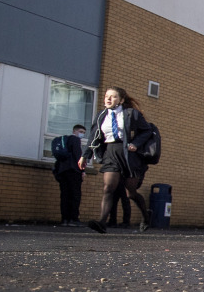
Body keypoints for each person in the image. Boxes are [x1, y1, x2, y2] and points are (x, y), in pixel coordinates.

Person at [80, 87, 153, 234]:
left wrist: (136, 144)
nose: (108, 99)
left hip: (128, 155)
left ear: (121, 100)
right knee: (108, 188)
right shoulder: (101, 115)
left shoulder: (131, 113)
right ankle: (102, 222)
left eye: (113, 97)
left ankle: (146, 216)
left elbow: (147, 131)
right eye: (107, 96)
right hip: (110, 153)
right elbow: (94, 137)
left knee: (130, 193)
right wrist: (85, 155)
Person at [51, 124, 86, 226]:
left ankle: (64, 219)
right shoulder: (75, 140)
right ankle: (73, 219)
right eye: (80, 131)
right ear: (74, 131)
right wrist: (82, 171)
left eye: (83, 132)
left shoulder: (64, 141)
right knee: (75, 195)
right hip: (73, 171)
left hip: (62, 171)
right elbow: (78, 156)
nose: (82, 134)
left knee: (65, 195)